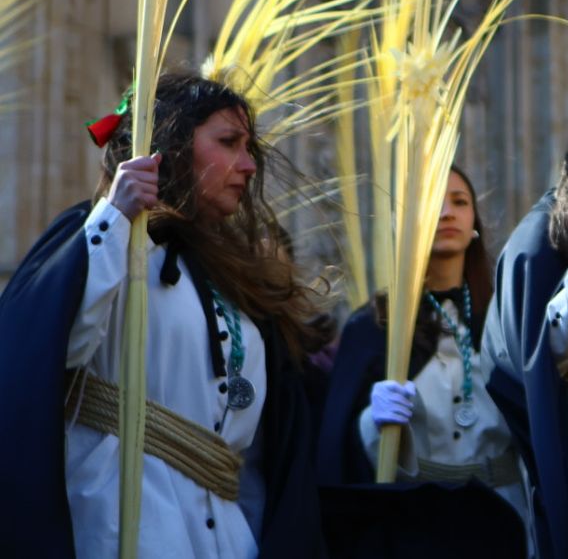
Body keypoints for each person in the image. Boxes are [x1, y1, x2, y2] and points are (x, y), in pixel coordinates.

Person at [0, 71, 327, 557]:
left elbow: (263, 453)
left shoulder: (238, 279)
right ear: (171, 146)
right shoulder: (104, 239)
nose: (248, 166)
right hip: (127, 524)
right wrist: (113, 218)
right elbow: (47, 349)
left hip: (227, 537)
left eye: (248, 148)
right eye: (229, 143)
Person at [317, 166, 527, 554]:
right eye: (433, 202)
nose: (447, 212)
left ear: (474, 223)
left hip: (506, 514)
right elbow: (339, 447)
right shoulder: (375, 326)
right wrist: (371, 422)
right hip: (420, 523)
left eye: (460, 202)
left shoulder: (508, 315)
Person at [482, 146, 568, 559]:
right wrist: (565, 319)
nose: (447, 216)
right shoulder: (534, 247)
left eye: (459, 202)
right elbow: (524, 375)